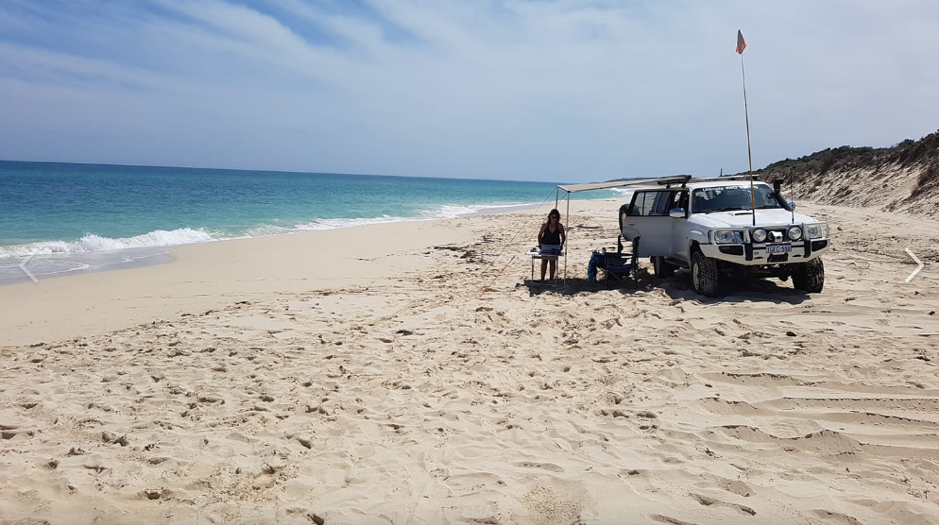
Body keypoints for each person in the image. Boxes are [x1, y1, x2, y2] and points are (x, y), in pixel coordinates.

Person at [537, 209, 566, 281]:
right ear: (550, 217)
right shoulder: (545, 225)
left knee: (552, 262)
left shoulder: (559, 226)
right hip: (545, 245)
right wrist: (539, 244)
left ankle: (551, 279)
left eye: (556, 217)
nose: (554, 219)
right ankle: (542, 278)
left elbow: (563, 236)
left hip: (555, 246)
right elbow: (539, 235)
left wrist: (562, 244)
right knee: (544, 261)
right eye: (553, 217)